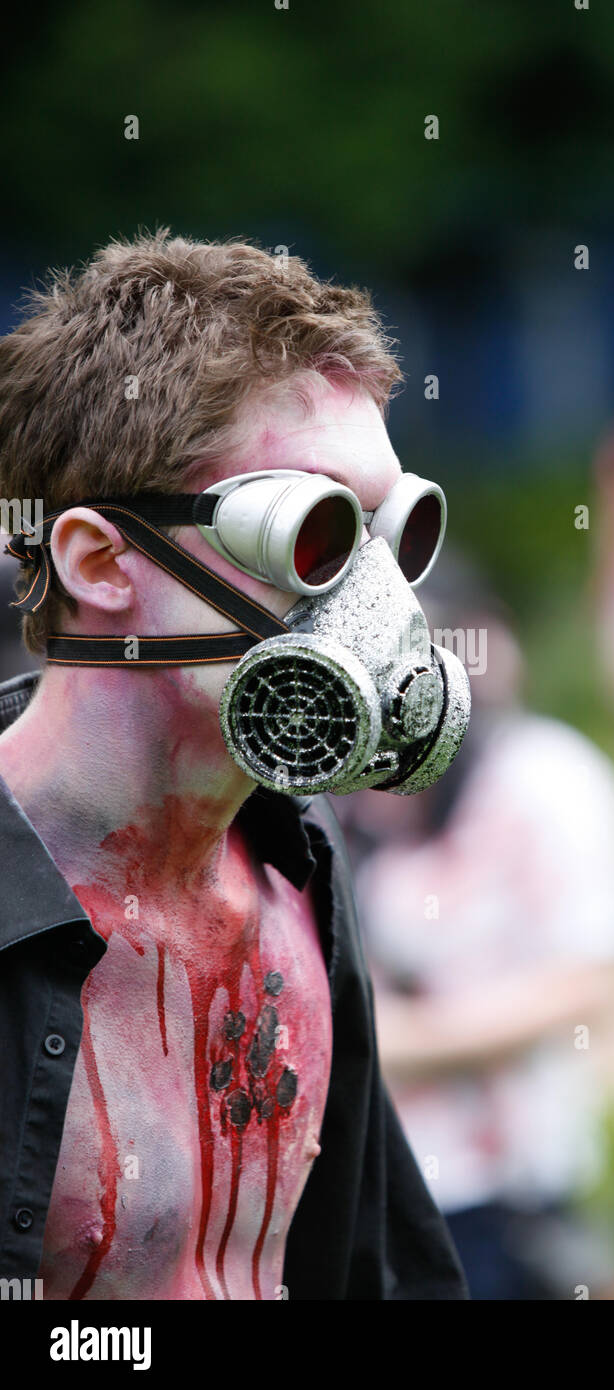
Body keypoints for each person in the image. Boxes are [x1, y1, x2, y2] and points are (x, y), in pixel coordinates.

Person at [0, 230, 469, 1300]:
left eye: (393, 531)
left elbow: (373, 1271)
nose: (378, 605)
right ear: (102, 561)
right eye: (313, 533)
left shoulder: (295, 868)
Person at [341, 567, 614, 1299]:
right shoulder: (346, 775)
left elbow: (590, 979)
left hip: (496, 1181)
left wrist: (402, 1043)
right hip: (354, 1178)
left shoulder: (544, 775)